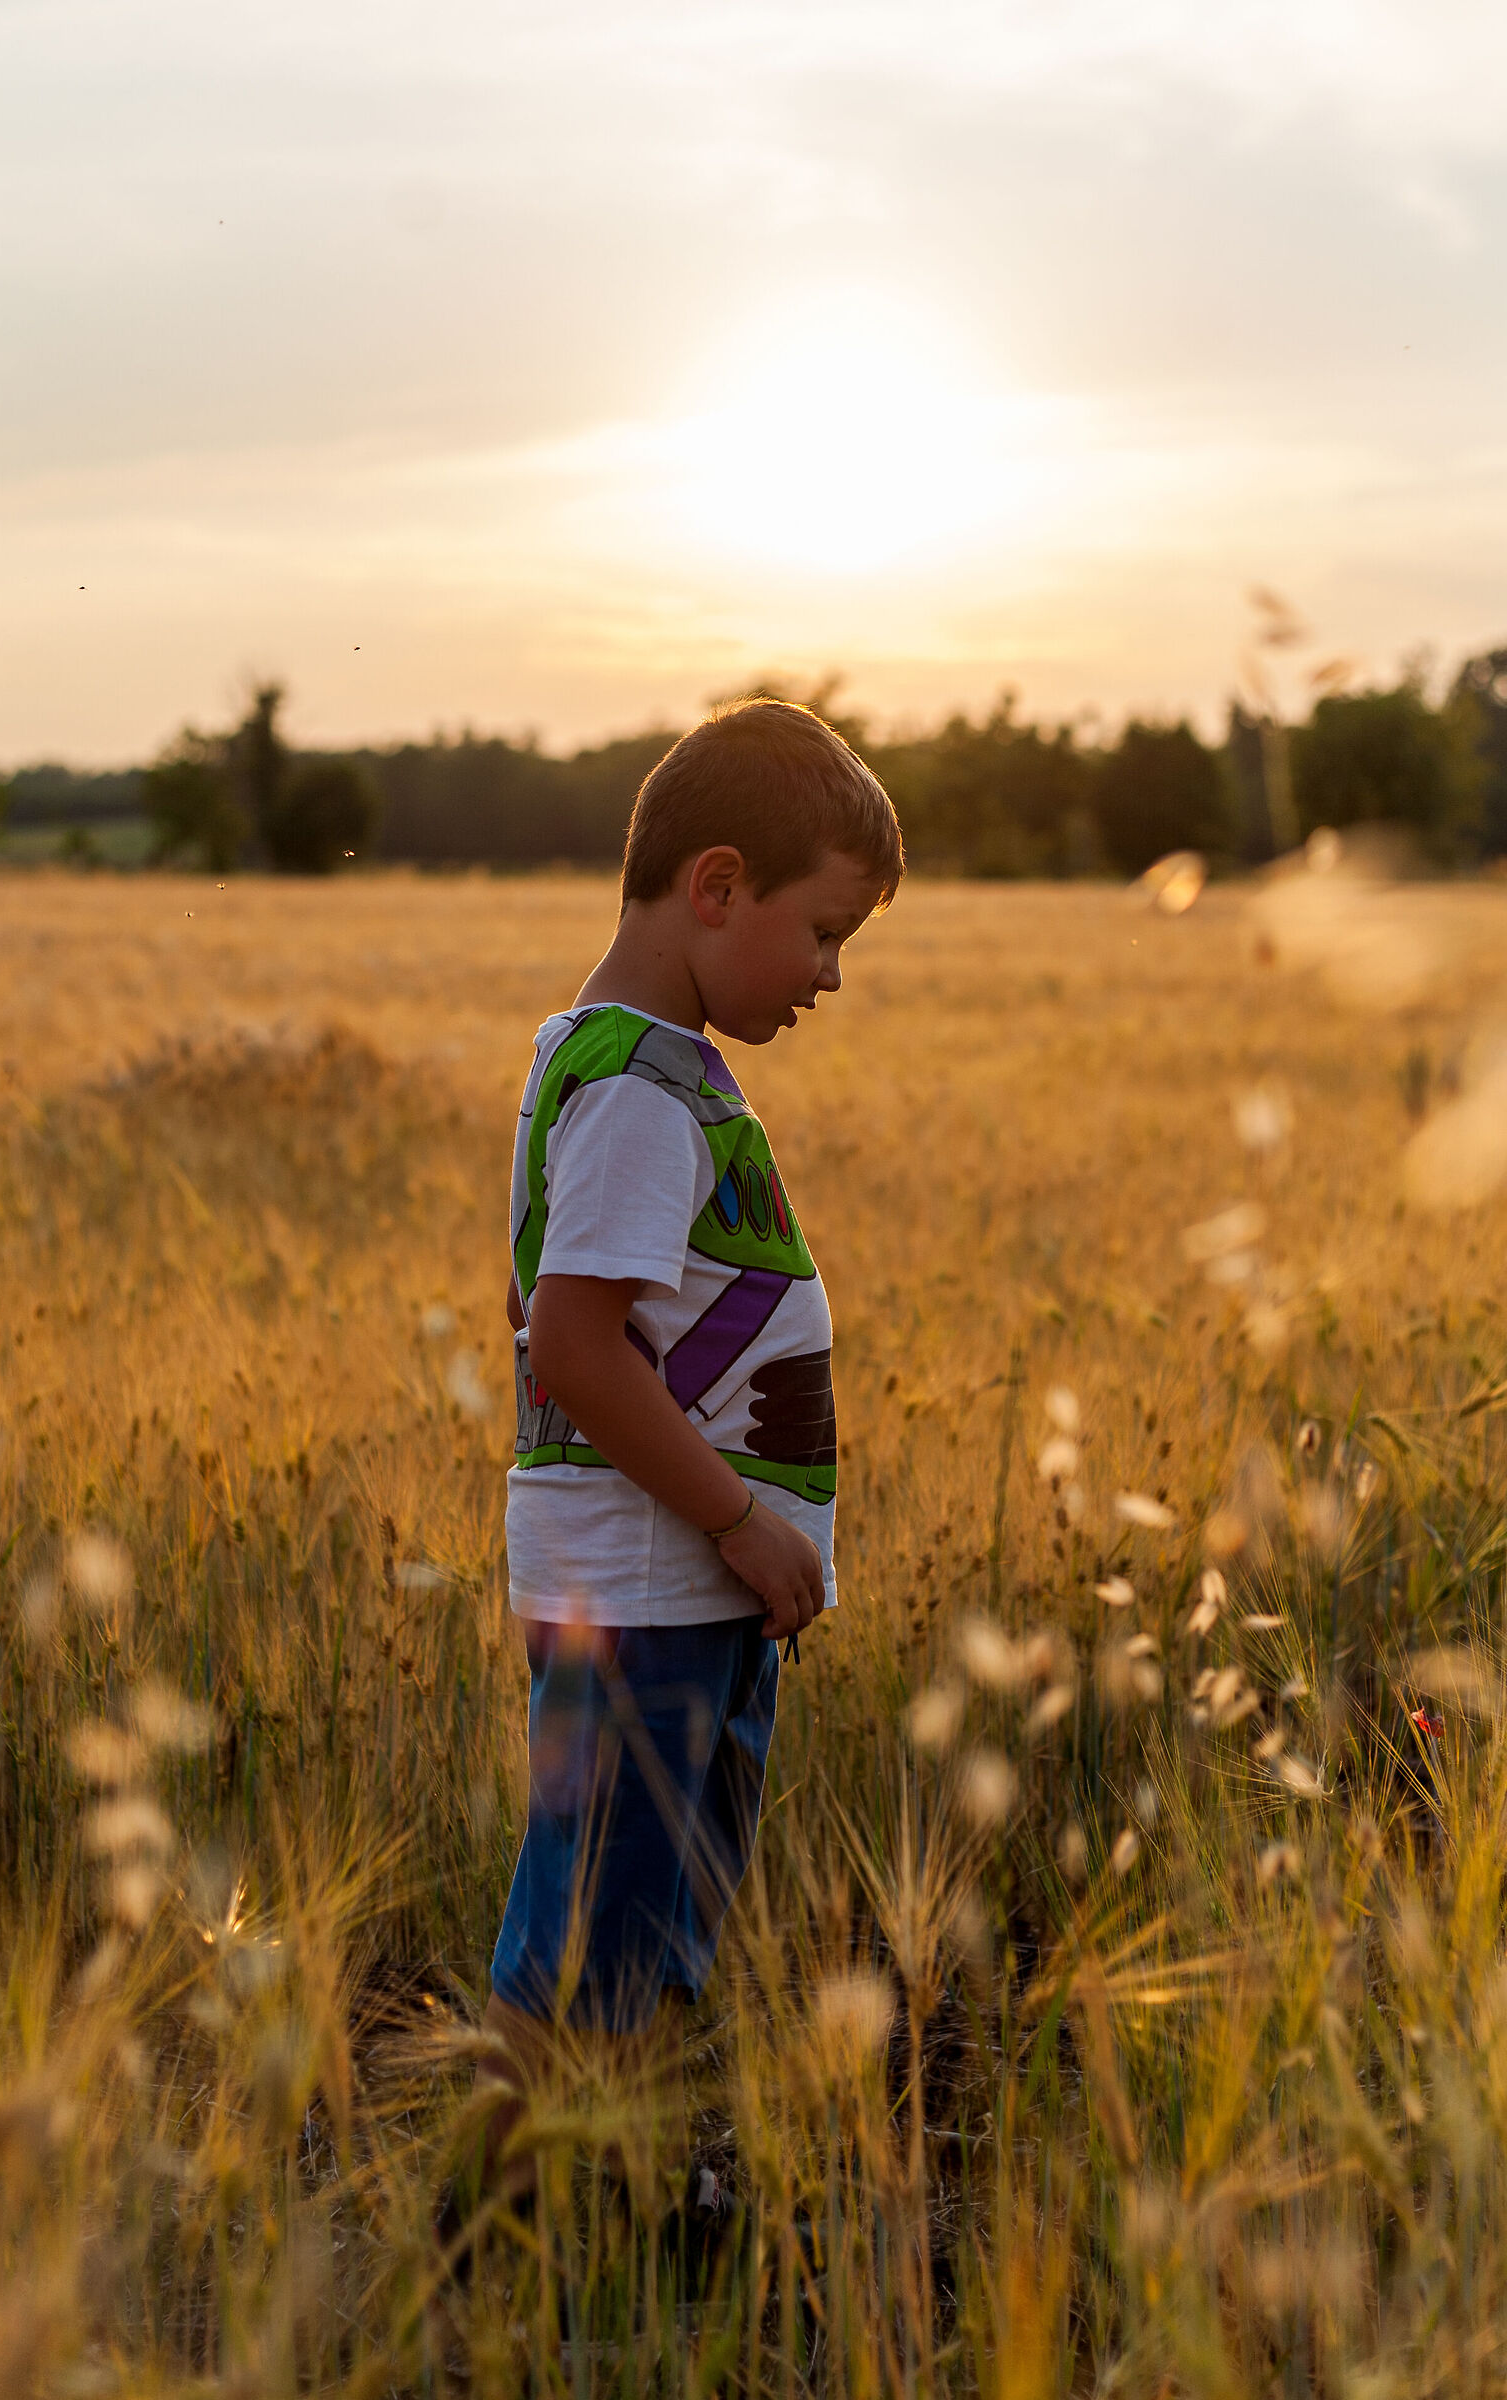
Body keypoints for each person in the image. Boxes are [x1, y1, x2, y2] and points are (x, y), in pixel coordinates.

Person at [457, 697, 902, 2247]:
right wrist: (737, 1520)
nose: (832, 975)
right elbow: (575, 1349)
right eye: (826, 932)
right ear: (718, 887)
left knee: (645, 1905)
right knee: (602, 1923)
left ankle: (629, 2170)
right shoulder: (647, 1089)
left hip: (676, 1585)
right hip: (652, 1579)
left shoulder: (610, 1061)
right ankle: (520, 2216)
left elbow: (550, 1301)